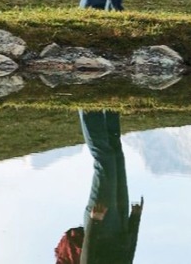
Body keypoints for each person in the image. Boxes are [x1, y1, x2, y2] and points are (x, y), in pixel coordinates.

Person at [59, 109, 144, 264]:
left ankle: (89, 109)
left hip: (102, 226)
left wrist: (95, 222)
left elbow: (87, 259)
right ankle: (112, 108)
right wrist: (135, 219)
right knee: (117, 156)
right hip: (122, 226)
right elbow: (129, 255)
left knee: (105, 161)